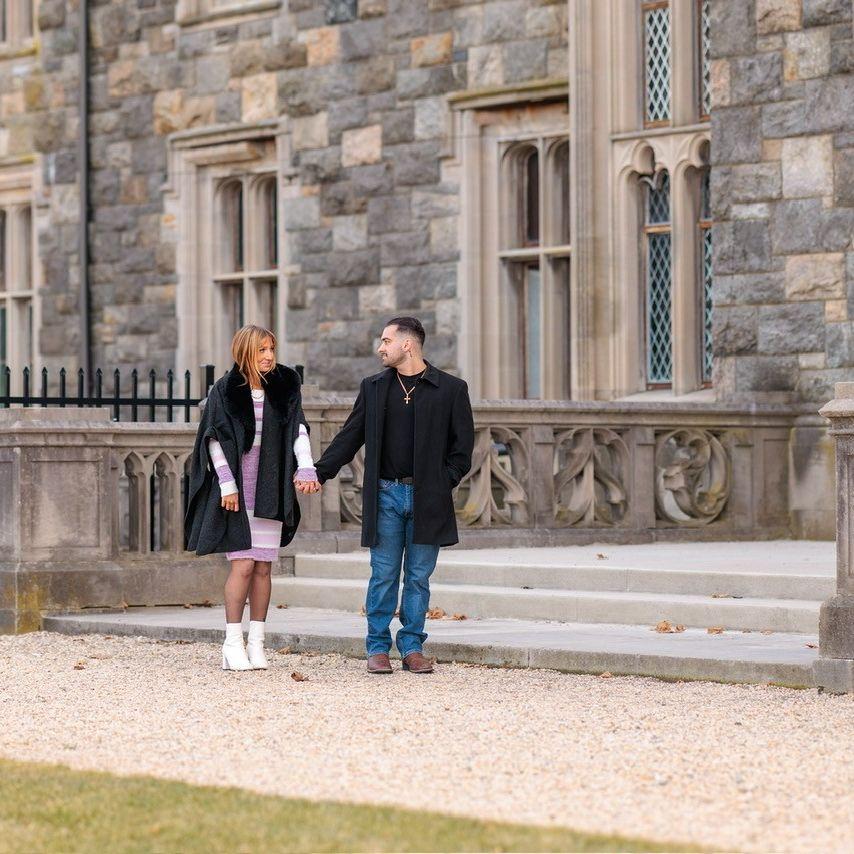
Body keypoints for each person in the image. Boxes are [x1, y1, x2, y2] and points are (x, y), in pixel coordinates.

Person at [314, 317, 474, 674]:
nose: (380, 348)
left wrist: (440, 483)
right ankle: (377, 647)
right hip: (385, 495)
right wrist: (319, 471)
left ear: (408, 344)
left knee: (417, 577)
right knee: (384, 574)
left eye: (386, 341)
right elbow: (350, 436)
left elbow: (462, 450)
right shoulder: (374, 387)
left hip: (428, 498)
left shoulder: (450, 389)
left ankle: (413, 647)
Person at [184, 325, 320, 671]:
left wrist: (306, 466)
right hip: (237, 488)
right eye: (261, 350)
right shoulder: (225, 390)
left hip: (270, 487)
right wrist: (226, 484)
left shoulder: (285, 385)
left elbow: (298, 427)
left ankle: (257, 642)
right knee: (243, 564)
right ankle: (232, 643)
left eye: (271, 349)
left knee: (263, 567)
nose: (269, 356)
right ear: (245, 351)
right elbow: (213, 439)